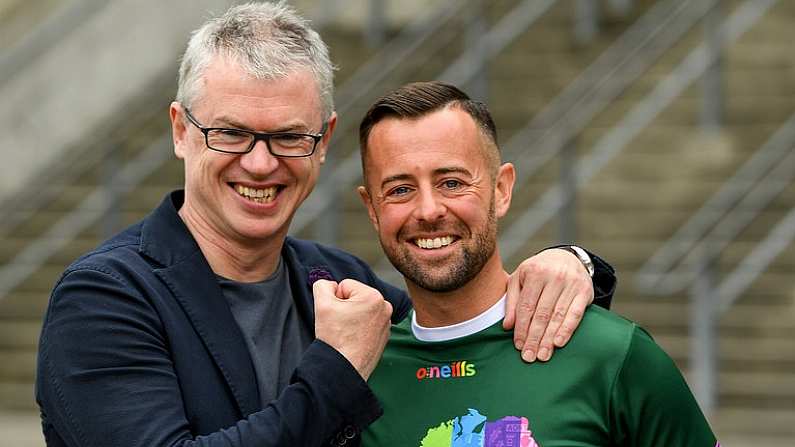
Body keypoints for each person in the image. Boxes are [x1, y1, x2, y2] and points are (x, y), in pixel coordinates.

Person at [35, 4, 616, 447]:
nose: (261, 163)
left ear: (324, 141)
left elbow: (474, 334)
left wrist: (576, 265)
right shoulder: (104, 297)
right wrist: (336, 371)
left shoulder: (340, 280)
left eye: (290, 136)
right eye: (231, 133)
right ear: (181, 131)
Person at [347, 81, 718, 446]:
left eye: (452, 183)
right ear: (372, 210)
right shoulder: (354, 376)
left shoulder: (614, 355)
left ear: (502, 189)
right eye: (400, 190)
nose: (428, 210)